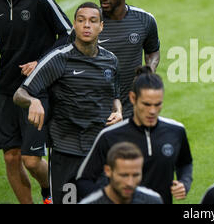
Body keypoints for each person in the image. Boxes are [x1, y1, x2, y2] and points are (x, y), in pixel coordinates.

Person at [13, 2, 122, 204]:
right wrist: (33, 101)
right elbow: (20, 93)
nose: (86, 25)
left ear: (101, 26)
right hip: (66, 152)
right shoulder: (58, 59)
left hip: (98, 151)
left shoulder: (111, 61)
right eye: (81, 21)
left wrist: (118, 111)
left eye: (92, 21)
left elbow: (115, 95)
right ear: (74, 25)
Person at [0, 0, 71, 204]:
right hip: (5, 90)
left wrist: (40, 62)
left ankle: (49, 191)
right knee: (10, 157)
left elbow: (68, 35)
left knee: (31, 159)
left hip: (36, 90)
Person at [76, 66, 193, 204]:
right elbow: (84, 180)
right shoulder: (109, 136)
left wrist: (184, 183)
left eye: (158, 104)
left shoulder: (176, 131)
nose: (152, 111)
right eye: (147, 104)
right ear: (133, 98)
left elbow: (185, 163)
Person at [93, 0, 160, 119]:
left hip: (131, 109)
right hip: (95, 109)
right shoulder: (89, 23)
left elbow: (152, 51)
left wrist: (149, 69)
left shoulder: (144, 20)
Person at [79, 142, 163, 204]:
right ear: (108, 171)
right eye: (124, 175)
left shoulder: (153, 201)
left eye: (135, 175)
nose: (130, 183)